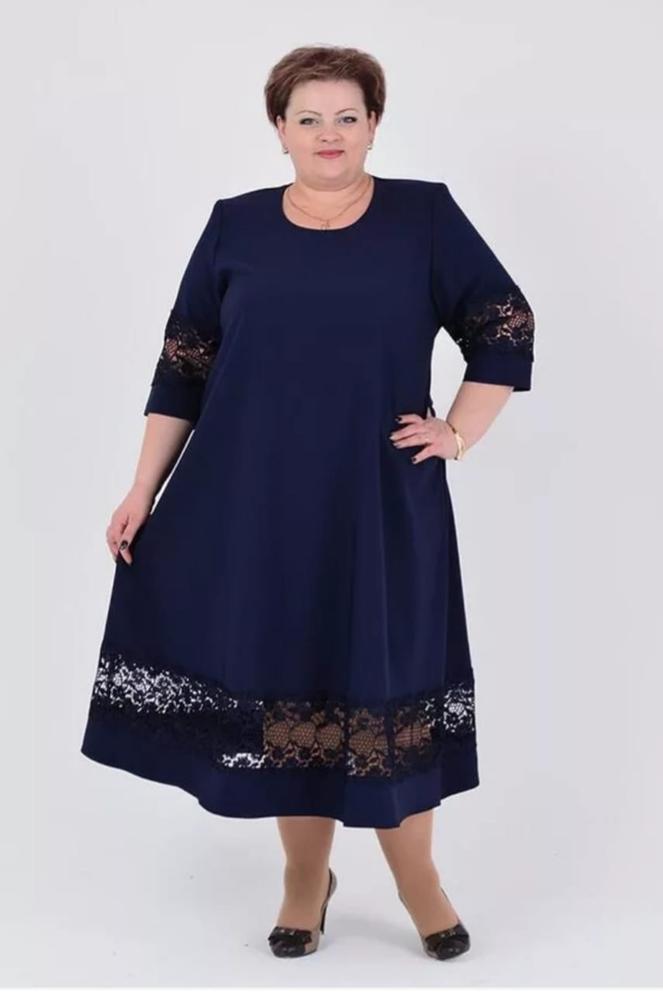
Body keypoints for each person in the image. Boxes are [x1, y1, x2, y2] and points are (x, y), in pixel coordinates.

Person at [80, 44, 535, 961]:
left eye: (346, 118)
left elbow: (503, 324)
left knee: (390, 684)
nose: (329, 135)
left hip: (379, 500)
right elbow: (184, 367)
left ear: (373, 125)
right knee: (287, 678)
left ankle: (417, 879)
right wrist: (141, 487)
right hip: (249, 500)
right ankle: (303, 879)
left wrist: (456, 432)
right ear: (279, 129)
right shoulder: (235, 225)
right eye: (309, 119)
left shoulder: (423, 217)